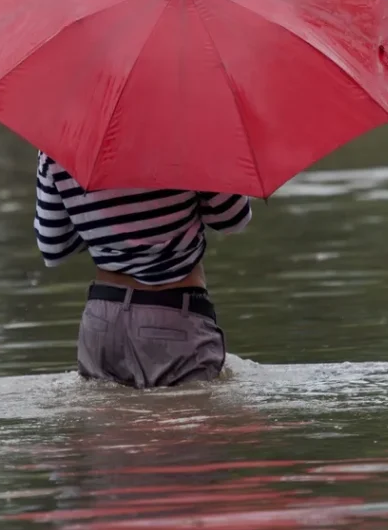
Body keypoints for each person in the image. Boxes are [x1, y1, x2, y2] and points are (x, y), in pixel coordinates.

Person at [34, 152, 252, 388]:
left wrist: (100, 224)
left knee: (111, 422)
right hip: (173, 313)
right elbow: (234, 218)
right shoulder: (189, 134)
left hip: (102, 320)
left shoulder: (60, 145)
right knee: (186, 419)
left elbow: (53, 245)